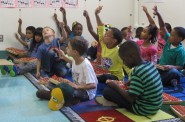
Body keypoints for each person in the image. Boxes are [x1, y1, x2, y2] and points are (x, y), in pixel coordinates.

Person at [102, 41, 163, 116]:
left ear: (132, 57)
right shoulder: (149, 64)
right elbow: (145, 80)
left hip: (143, 109)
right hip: (156, 106)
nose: (124, 63)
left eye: (124, 60)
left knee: (107, 91)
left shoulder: (137, 71)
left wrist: (116, 86)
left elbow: (130, 99)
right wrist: (131, 81)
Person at [36, 36, 98, 111]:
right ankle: (61, 97)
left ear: (75, 52)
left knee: (66, 90)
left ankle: (55, 96)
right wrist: (63, 57)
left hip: (86, 93)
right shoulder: (77, 59)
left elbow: (93, 85)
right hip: (76, 87)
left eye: (68, 47)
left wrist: (77, 86)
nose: (66, 48)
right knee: (55, 84)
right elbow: (73, 63)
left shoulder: (86, 65)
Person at [95, 6, 132, 82]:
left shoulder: (119, 52)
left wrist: (130, 80)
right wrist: (96, 14)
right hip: (105, 73)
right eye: (105, 34)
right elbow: (101, 28)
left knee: (103, 77)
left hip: (116, 77)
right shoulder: (104, 45)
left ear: (114, 40)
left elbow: (128, 68)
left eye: (107, 35)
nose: (104, 36)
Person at [154, 6, 185, 86]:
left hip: (170, 70)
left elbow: (180, 67)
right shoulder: (168, 41)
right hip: (161, 68)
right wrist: (158, 14)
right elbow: (162, 26)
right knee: (149, 66)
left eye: (172, 35)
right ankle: (169, 81)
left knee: (174, 72)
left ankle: (158, 82)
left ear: (179, 39)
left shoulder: (180, 51)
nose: (169, 36)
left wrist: (170, 67)